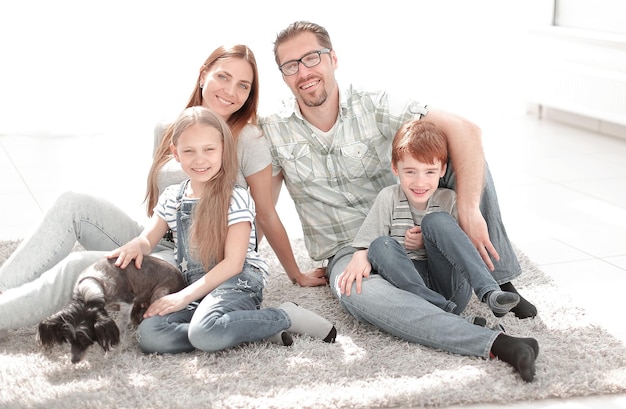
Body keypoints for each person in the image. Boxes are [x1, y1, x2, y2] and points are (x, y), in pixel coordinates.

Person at [259, 21, 538, 382]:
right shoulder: (274, 129)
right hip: (349, 251)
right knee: (354, 292)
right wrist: (291, 271)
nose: (304, 72)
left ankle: (498, 280)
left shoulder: (373, 104)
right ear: (282, 75)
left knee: (463, 157)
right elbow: (262, 208)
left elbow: (468, 131)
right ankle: (499, 343)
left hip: (412, 226)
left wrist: (468, 210)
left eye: (311, 58)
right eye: (290, 65)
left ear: (332, 59)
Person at [0, 44, 324, 338]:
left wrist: (295, 273)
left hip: (190, 259)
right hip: (158, 238)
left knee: (79, 265)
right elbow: (161, 206)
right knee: (72, 202)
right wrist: (140, 243)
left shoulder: (248, 140)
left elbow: (264, 212)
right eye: (223, 77)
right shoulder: (168, 128)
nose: (230, 91)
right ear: (203, 76)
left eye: (243, 85)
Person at [107, 106, 335, 353]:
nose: (200, 159)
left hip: (236, 282)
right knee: (150, 336)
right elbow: (147, 239)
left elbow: (233, 264)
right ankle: (246, 329)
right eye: (189, 151)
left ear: (223, 151)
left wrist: (182, 298)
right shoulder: (174, 196)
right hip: (196, 286)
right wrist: (135, 246)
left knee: (204, 333)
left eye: (209, 149)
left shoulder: (235, 197)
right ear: (175, 153)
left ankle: (284, 316)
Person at [352, 120, 520, 317]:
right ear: (395, 168)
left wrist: (426, 241)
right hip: (414, 290)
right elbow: (370, 244)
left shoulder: (449, 199)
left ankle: (490, 292)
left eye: (429, 172)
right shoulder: (388, 197)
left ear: (442, 170)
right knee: (380, 245)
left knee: (436, 221)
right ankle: (443, 312)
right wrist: (361, 253)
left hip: (451, 289)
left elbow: (461, 248)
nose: (419, 182)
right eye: (410, 172)